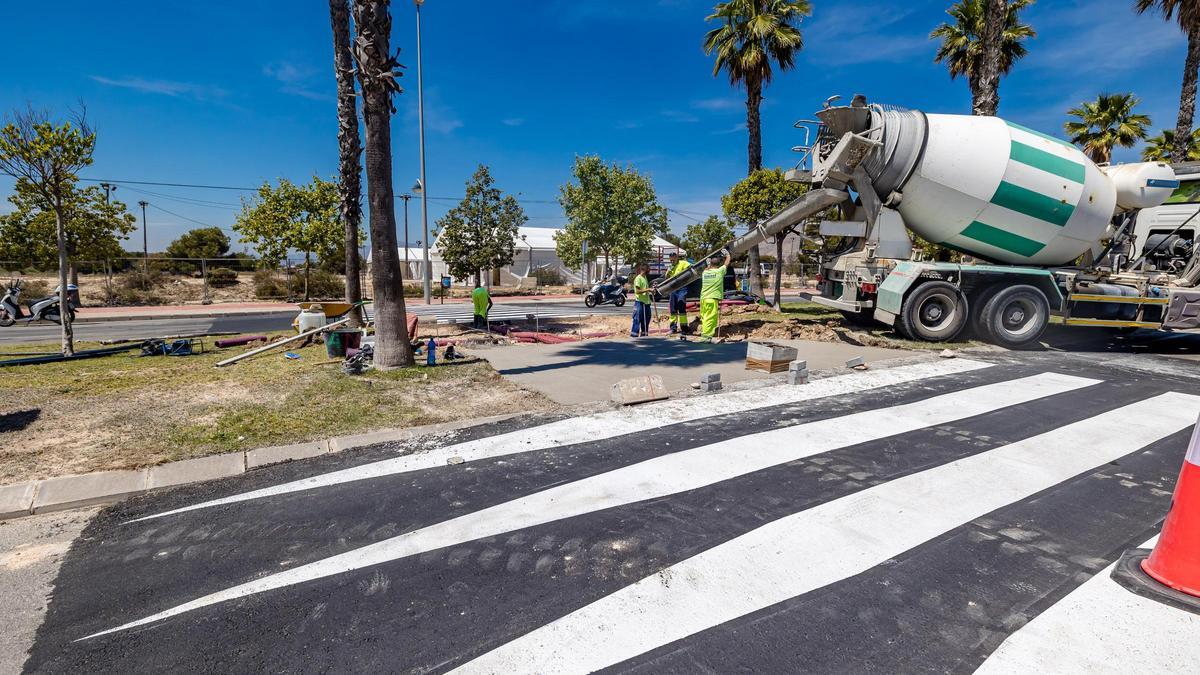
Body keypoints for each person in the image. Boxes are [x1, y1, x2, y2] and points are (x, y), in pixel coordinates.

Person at [699, 250, 731, 342]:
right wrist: (727, 255)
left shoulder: (705, 273)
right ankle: (706, 337)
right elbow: (726, 264)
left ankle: (704, 335)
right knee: (711, 318)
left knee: (705, 317)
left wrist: (708, 263)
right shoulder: (719, 272)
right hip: (712, 299)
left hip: (703, 299)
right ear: (718, 265)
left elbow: (708, 268)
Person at [665, 252, 691, 335]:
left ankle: (684, 328)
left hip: (682, 288)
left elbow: (691, 268)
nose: (672, 261)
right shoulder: (670, 267)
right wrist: (668, 272)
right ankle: (673, 328)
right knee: (673, 309)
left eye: (673, 259)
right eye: (671, 260)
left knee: (681, 306)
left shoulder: (683, 263)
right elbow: (666, 278)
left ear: (677, 257)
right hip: (673, 289)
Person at [630, 263, 652, 337]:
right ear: (644, 269)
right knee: (637, 319)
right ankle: (634, 336)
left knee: (646, 320)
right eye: (648, 269)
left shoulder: (645, 277)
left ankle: (644, 335)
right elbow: (638, 291)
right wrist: (648, 289)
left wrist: (651, 290)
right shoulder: (638, 278)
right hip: (640, 303)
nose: (649, 271)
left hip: (647, 303)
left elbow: (645, 290)